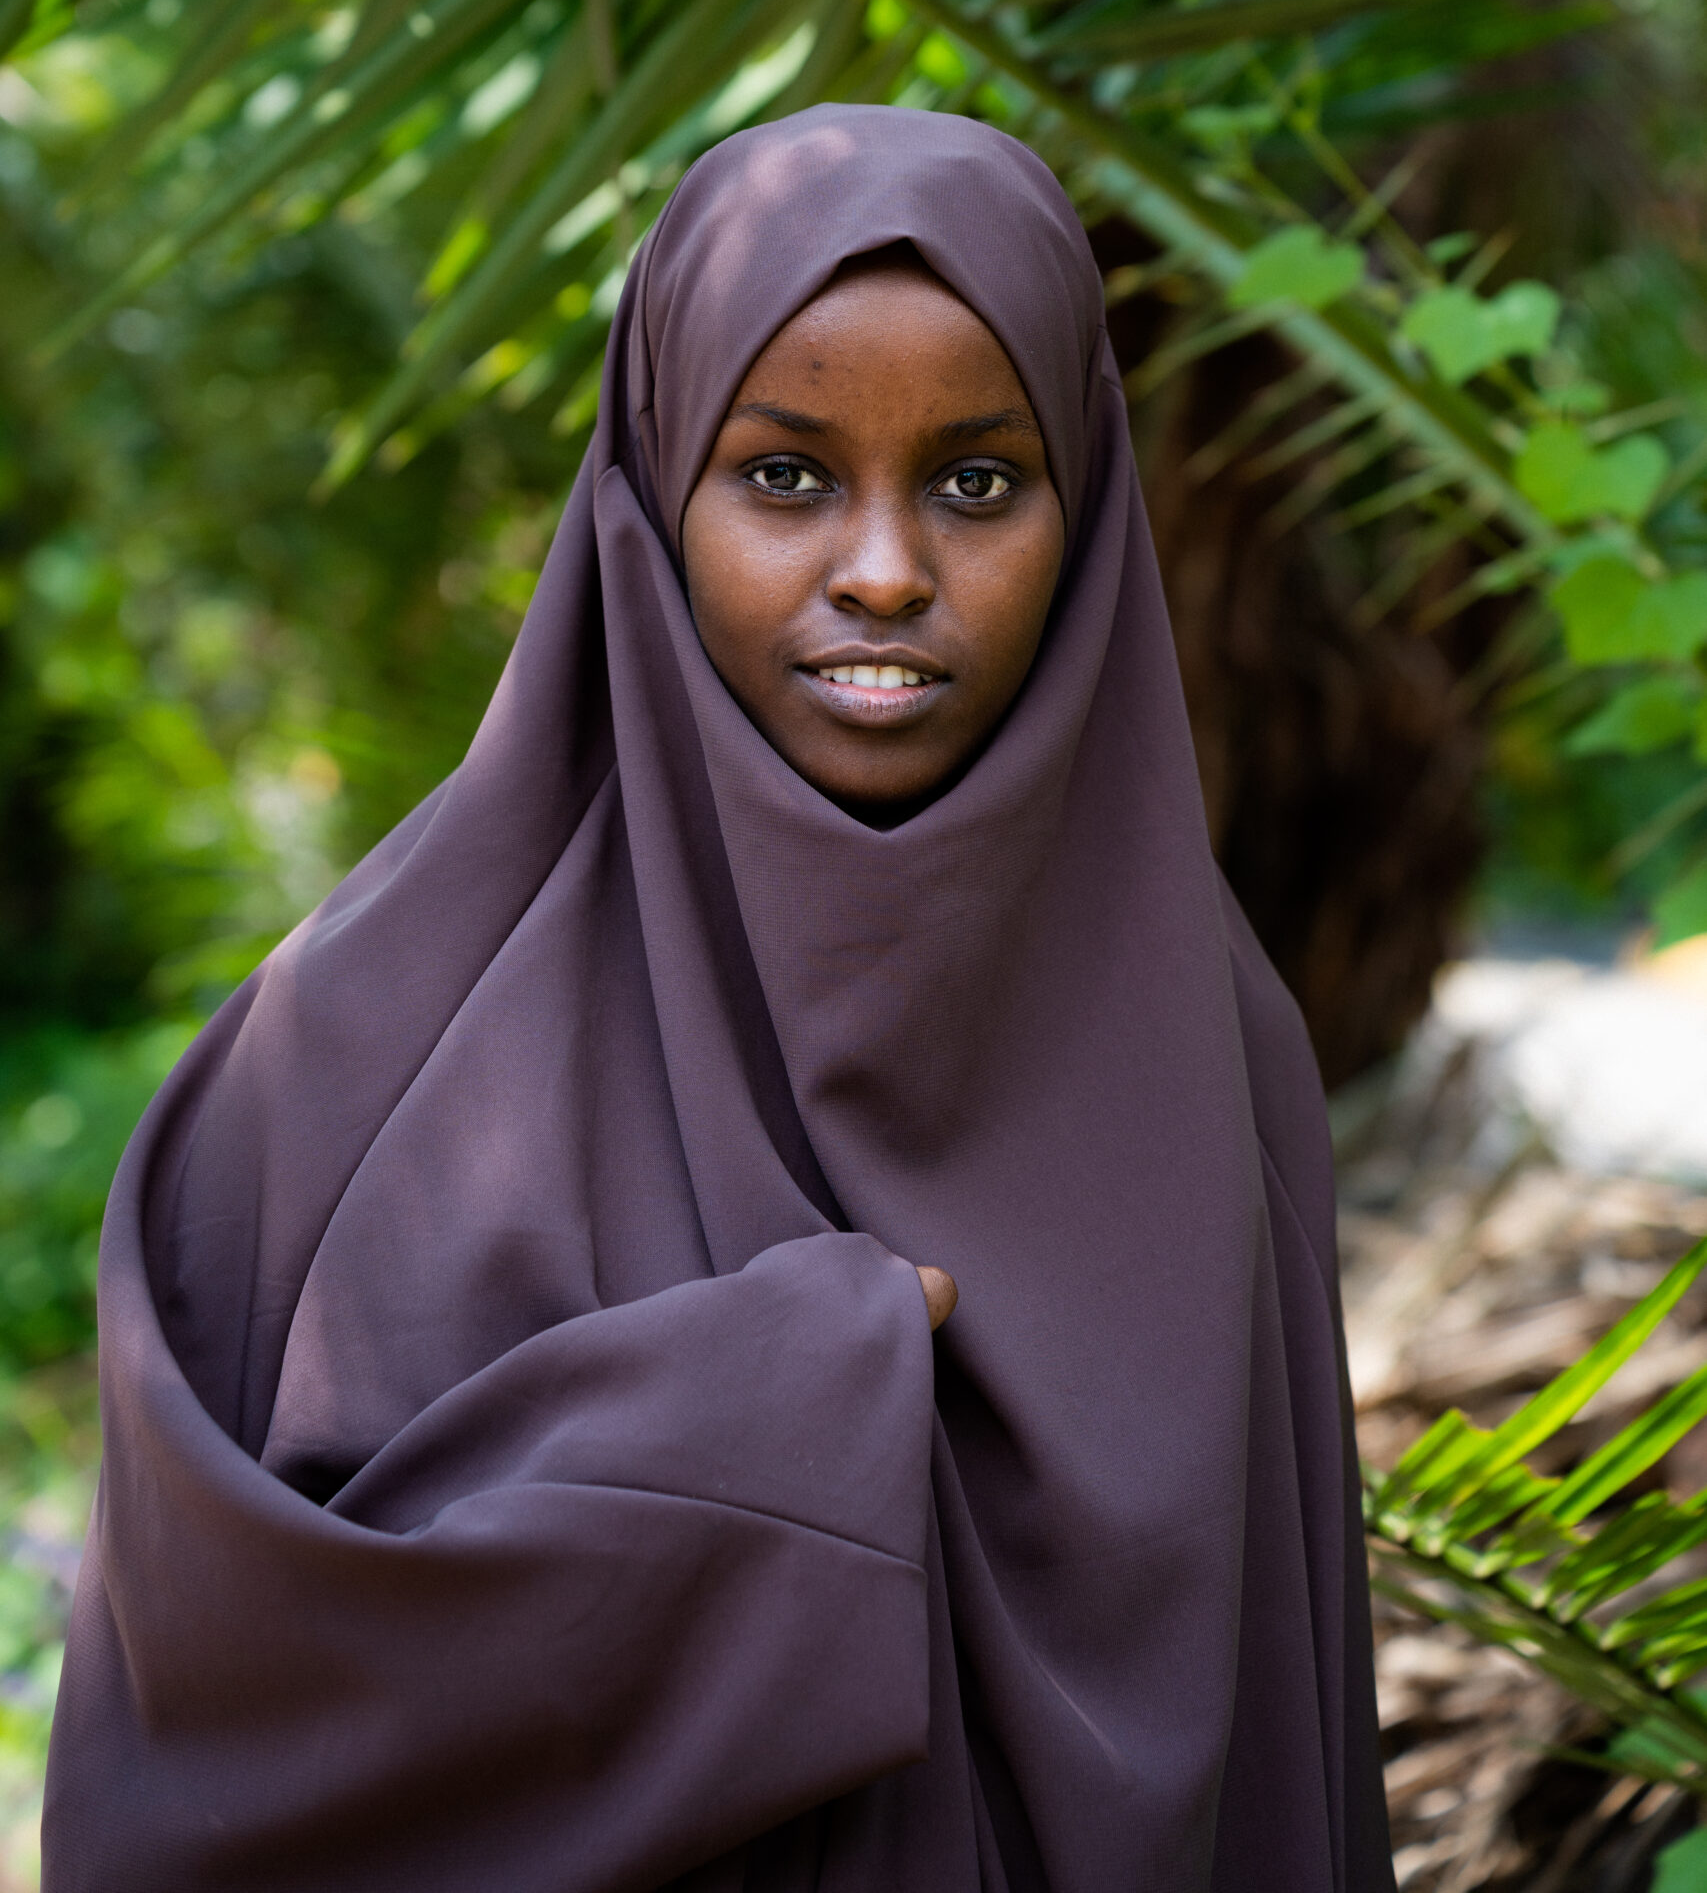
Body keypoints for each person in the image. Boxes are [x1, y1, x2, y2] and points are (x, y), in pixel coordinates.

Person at [43, 105, 1394, 1892]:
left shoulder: (1219, 1058)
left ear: (1093, 512)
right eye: (786, 476)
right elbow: (213, 1700)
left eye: (980, 482)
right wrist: (788, 1413)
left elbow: (1278, 1753)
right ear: (650, 497)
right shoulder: (347, 1056)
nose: (888, 570)